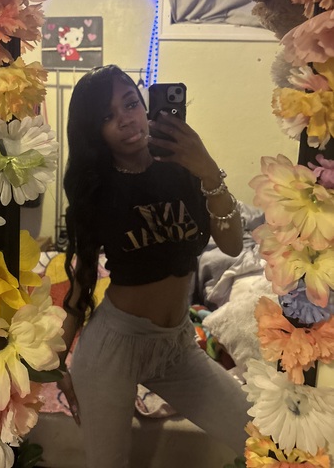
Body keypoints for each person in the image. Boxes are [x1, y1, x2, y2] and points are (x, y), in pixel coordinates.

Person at [58, 65, 250, 467]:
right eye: (107, 116)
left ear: (145, 106)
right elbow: (83, 277)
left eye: (130, 104)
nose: (126, 119)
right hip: (113, 347)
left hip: (176, 346)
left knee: (261, 438)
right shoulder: (97, 188)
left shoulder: (185, 166)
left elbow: (232, 245)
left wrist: (208, 169)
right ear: (95, 131)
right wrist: (56, 362)